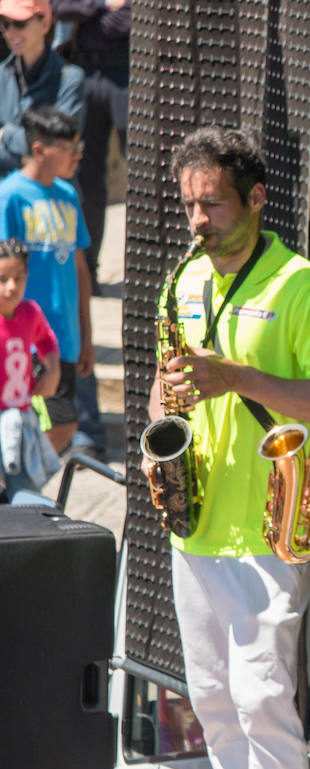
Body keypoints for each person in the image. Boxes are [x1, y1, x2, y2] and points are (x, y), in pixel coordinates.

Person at [145, 126, 310, 769]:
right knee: (215, 702)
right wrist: (159, 432)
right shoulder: (182, 280)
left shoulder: (304, 287)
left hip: (270, 524)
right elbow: (170, 385)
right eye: (189, 204)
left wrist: (233, 377)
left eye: (213, 204)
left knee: (264, 700)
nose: (197, 220)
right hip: (196, 522)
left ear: (257, 199)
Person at [0, 104, 89, 453]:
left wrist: (87, 334)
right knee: (41, 421)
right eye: (69, 149)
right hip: (24, 336)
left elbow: (80, 269)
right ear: (39, 149)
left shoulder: (68, 195)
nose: (78, 157)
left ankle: (18, 488)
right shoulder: (10, 196)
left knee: (59, 423)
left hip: (64, 336)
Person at [52, 0, 126, 287]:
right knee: (84, 173)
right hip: (83, 69)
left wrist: (91, 15)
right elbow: (62, 7)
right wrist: (104, 5)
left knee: (142, 172)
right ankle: (88, 271)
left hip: (126, 71)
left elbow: (128, 20)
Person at [0, 237, 60, 496]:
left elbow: (46, 339)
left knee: (25, 495)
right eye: (2, 279)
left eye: (19, 278)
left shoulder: (30, 312)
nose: (11, 287)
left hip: (21, 421)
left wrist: (52, 370)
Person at [0, 0, 83, 175]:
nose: (10, 33)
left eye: (20, 24)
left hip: (49, 192)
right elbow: (44, 146)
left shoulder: (69, 77)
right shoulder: (2, 75)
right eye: (5, 25)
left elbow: (59, 143)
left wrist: (6, 134)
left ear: (45, 23)